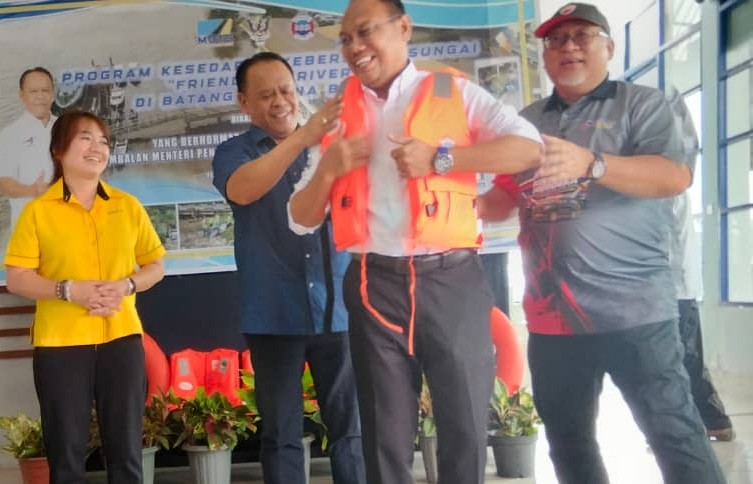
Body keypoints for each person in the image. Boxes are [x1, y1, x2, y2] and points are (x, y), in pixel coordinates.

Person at [288, 1, 542, 483]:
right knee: (383, 436)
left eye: (365, 32)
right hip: (373, 284)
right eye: (345, 39)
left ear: (403, 28)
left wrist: (443, 159)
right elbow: (300, 218)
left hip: (451, 281)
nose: (355, 48)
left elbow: (529, 149)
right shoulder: (339, 114)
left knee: (464, 426)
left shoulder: (453, 92)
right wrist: (327, 169)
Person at [478, 3, 726, 483]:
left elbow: (674, 176)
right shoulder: (526, 122)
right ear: (545, 55)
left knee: (673, 433)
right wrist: (446, 192)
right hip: (552, 320)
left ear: (608, 48)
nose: (568, 47)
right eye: (556, 39)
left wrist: (593, 164)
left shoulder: (642, 105)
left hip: (636, 313)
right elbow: (502, 199)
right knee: (568, 443)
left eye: (582, 36)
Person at [211, 52, 366, 484]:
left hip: (338, 307)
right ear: (244, 103)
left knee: (351, 430)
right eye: (266, 95)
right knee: (281, 435)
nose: (280, 102)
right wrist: (301, 140)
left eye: (286, 91)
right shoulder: (234, 152)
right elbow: (242, 190)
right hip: (274, 313)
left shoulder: (332, 145)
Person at [4, 110, 166, 484]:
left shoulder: (127, 206)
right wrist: (68, 290)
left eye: (103, 141)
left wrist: (127, 285)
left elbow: (156, 266)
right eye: (85, 138)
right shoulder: (38, 212)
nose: (97, 147)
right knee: (66, 454)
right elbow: (17, 278)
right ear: (59, 149)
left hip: (121, 338)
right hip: (60, 345)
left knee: (126, 452)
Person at [665, 87, 735, 442]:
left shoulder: (669, 184)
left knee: (685, 359)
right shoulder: (668, 182)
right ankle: (698, 423)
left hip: (675, 289)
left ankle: (713, 421)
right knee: (678, 360)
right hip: (670, 288)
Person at [0, 67, 57, 231]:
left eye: (45, 90)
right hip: (27, 226)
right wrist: (33, 191)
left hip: (65, 223)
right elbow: (4, 183)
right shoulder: (9, 134)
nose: (40, 96)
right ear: (22, 95)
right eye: (33, 91)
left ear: (53, 94)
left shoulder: (66, 127)